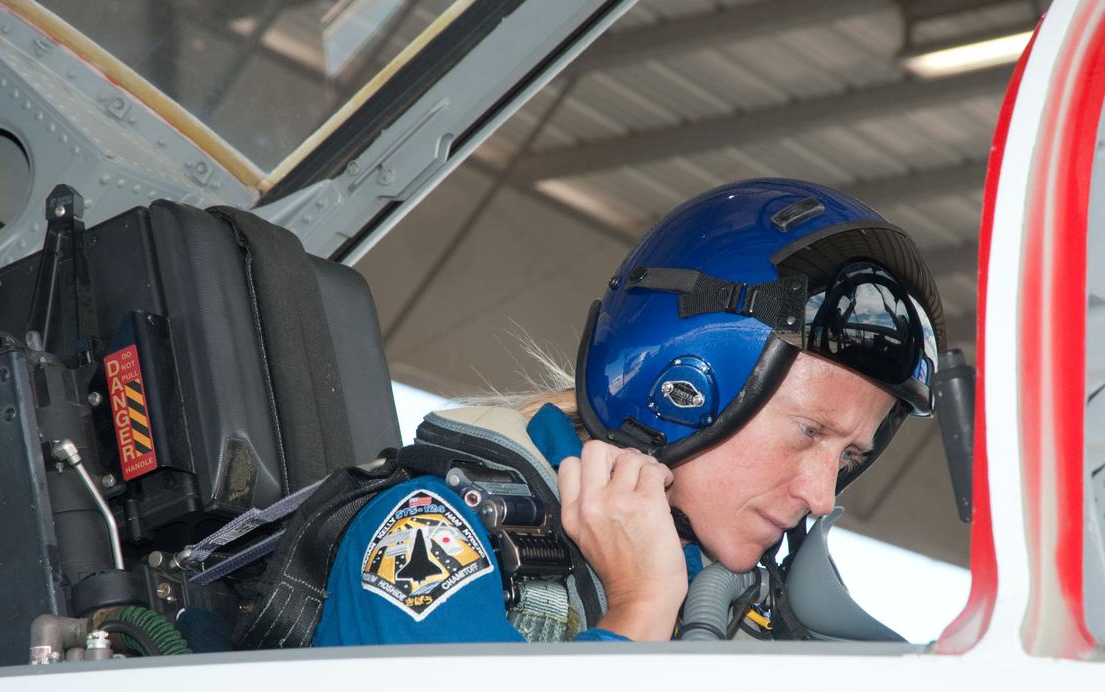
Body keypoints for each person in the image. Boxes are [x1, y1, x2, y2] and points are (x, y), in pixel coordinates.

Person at [311, 178, 944, 646]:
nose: (822, 495)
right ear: (685, 387)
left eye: (848, 456)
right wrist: (642, 603)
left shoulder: (740, 610)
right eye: (809, 432)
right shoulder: (430, 537)